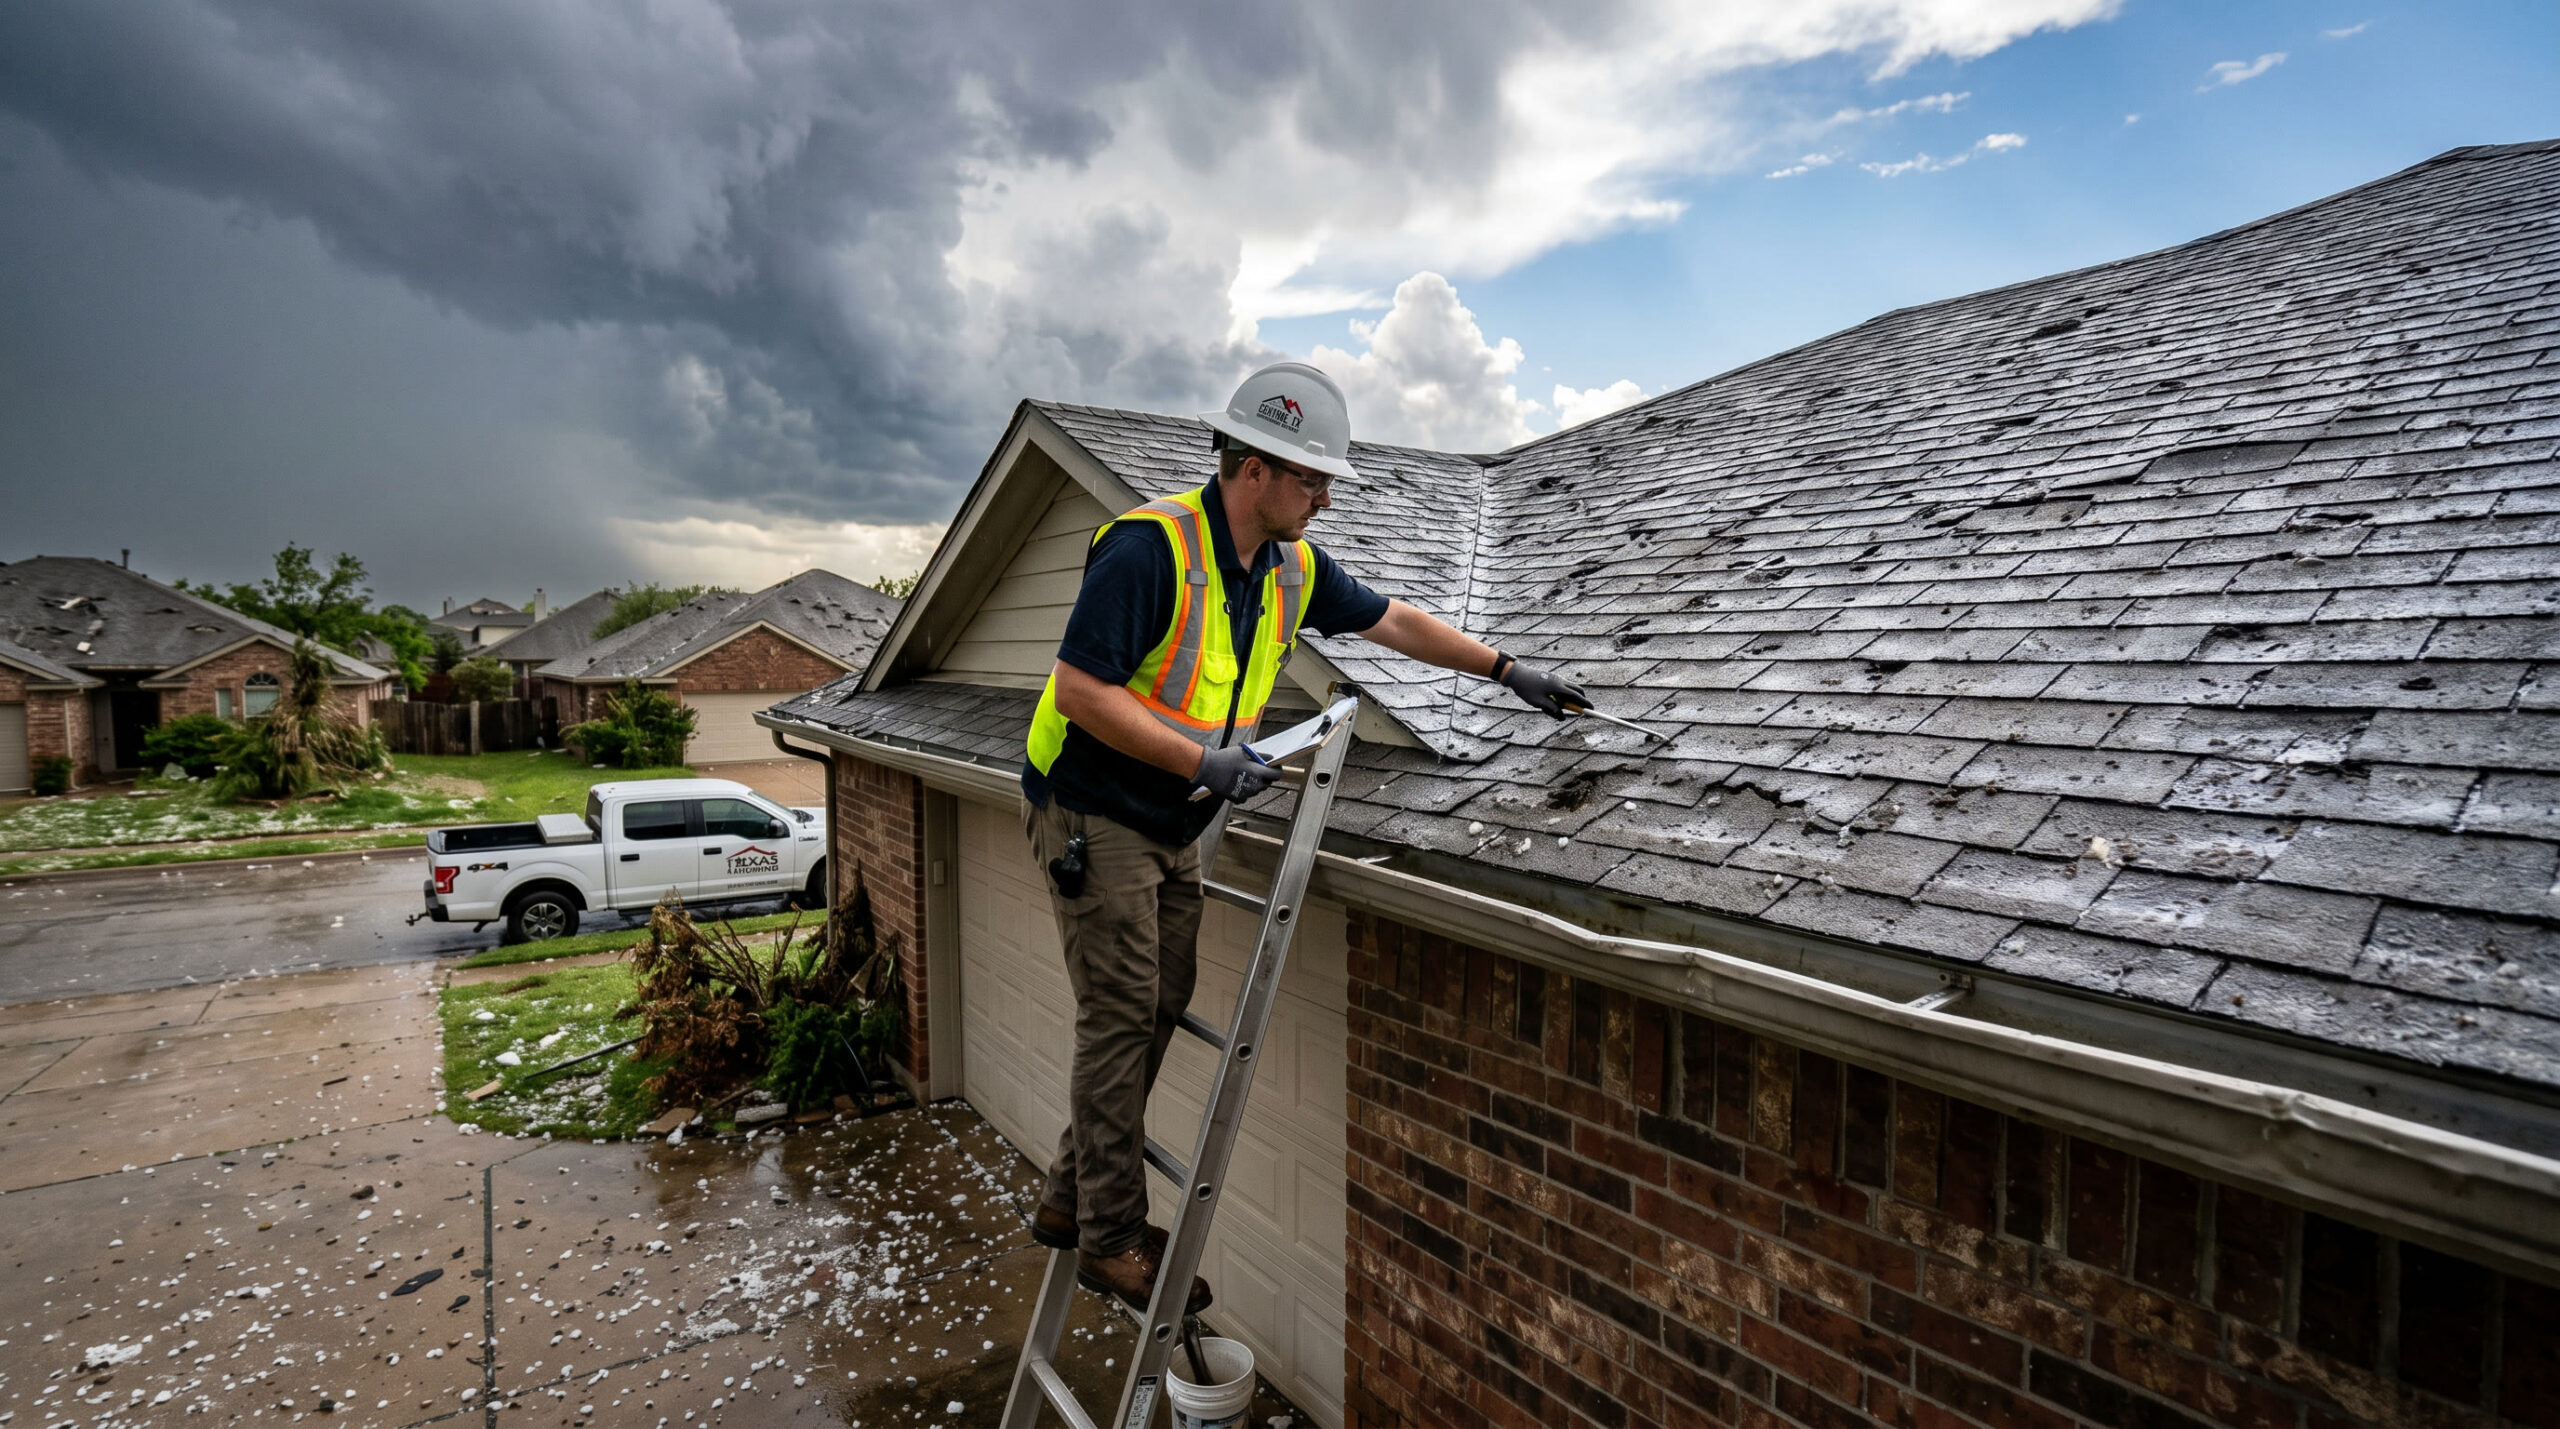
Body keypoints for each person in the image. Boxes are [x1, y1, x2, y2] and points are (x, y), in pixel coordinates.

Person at [1018, 360, 1587, 1312]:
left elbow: (1394, 618)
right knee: (1118, 1015)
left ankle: (1069, 1199)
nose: (1325, 499)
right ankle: (1110, 1237)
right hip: (1093, 811)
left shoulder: (1287, 568)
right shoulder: (1148, 552)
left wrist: (1506, 668)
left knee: (1163, 999)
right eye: (1312, 480)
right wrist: (1204, 763)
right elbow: (1081, 691)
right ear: (1253, 469)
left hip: (1173, 818)